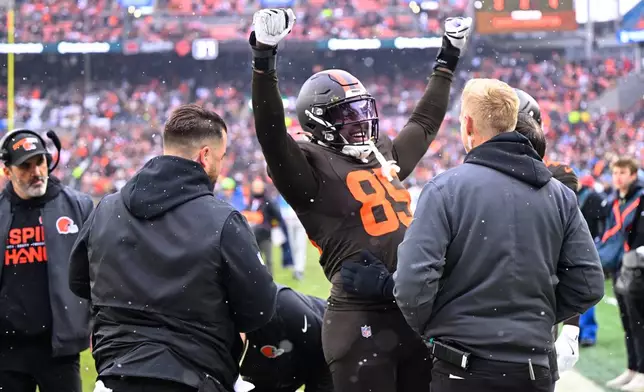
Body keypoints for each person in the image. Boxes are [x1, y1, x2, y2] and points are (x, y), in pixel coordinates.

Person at [249, 7, 471, 391]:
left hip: (411, 309)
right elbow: (271, 134)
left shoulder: (380, 152)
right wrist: (264, 59)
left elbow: (423, 123)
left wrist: (447, 57)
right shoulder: (308, 167)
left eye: (362, 109)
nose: (361, 121)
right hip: (360, 315)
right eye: (348, 114)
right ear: (318, 120)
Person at [392, 78, 605, 392]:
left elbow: (411, 287)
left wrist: (446, 325)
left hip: (463, 368)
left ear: (467, 124)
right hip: (534, 369)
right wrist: (531, 317)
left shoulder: (445, 189)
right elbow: (588, 285)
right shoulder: (559, 195)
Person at [68, 104, 277, 392]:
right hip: (196, 374)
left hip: (116, 375)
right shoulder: (222, 220)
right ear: (205, 156)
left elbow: (78, 283)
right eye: (220, 157)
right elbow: (260, 307)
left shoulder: (106, 209)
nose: (221, 165)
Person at [0, 129, 93, 392]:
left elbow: (97, 272)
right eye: (25, 166)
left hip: (60, 349)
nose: (36, 172)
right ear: (8, 171)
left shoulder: (78, 206)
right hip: (8, 352)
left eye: (40, 162)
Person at [237, 284, 332, 392]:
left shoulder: (280, 308)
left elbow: (326, 353)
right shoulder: (219, 349)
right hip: (280, 371)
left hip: (332, 346)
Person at [603, 157, 644, 391]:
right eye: (615, 172)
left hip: (639, 268)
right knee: (628, 322)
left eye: (622, 172)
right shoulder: (616, 200)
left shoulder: (641, 198)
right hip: (622, 266)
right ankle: (632, 368)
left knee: (640, 322)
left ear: (633, 174)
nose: (617, 177)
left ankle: (643, 371)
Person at [242, 178, 285, 276]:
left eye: (258, 187)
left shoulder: (268, 201)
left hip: (265, 234)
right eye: (255, 187)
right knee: (255, 258)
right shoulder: (251, 200)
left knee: (268, 259)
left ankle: (270, 279)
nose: (256, 189)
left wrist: (270, 225)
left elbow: (277, 216)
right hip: (252, 234)